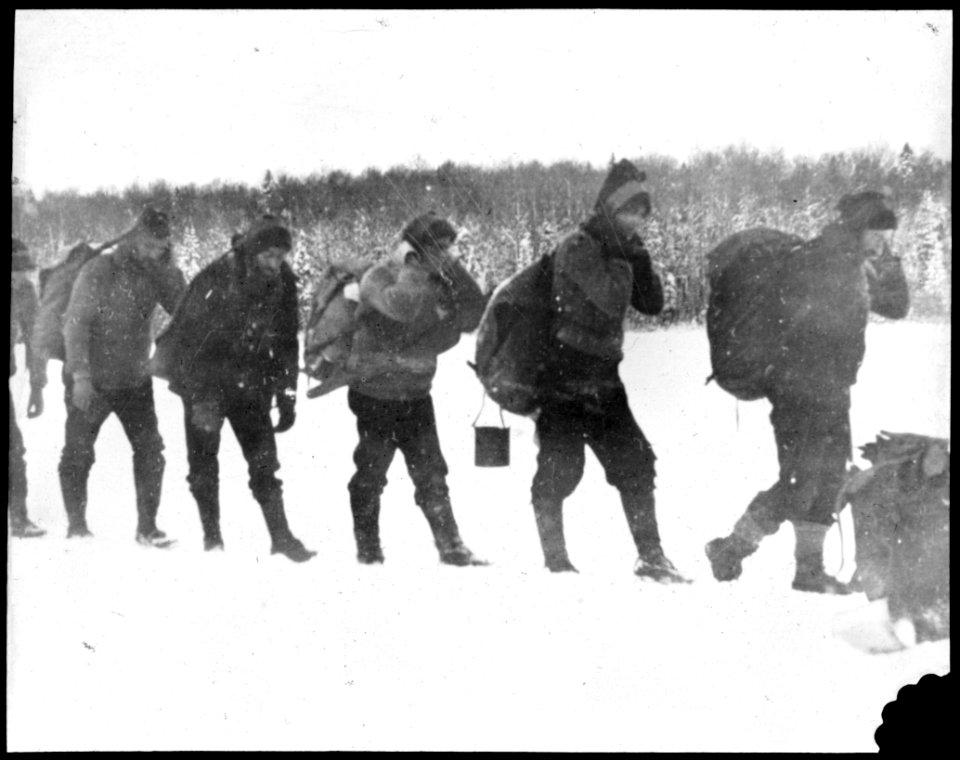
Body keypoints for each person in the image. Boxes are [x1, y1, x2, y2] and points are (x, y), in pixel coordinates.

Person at [705, 191, 910, 593]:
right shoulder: (824, 258)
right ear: (857, 226)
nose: (882, 243)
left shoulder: (854, 261)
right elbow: (811, 321)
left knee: (830, 478)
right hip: (798, 389)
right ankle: (731, 548)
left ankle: (808, 570)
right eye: (877, 234)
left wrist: (887, 261)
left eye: (887, 237)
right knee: (800, 481)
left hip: (832, 388)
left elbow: (897, 307)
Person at [531, 159, 687, 581]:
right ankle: (556, 559)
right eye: (628, 211)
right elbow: (610, 299)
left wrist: (638, 256)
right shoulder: (580, 246)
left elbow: (650, 304)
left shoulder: (623, 249)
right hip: (562, 374)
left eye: (642, 212)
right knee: (562, 470)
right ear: (608, 210)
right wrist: (627, 258)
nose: (636, 220)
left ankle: (652, 558)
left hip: (602, 376)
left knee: (636, 464)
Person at [152, 215, 315, 563]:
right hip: (204, 383)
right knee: (203, 466)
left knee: (264, 464)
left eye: (281, 256)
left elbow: (287, 341)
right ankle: (213, 540)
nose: (276, 263)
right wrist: (202, 398)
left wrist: (287, 394)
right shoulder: (216, 279)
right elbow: (189, 345)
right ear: (254, 250)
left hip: (250, 384)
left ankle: (281, 537)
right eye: (269, 255)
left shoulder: (282, 280)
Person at [345, 212, 487, 566]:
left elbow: (473, 313)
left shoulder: (437, 279)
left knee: (432, 472)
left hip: (416, 392)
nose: (446, 256)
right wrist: (413, 265)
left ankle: (451, 547)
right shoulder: (378, 277)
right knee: (372, 472)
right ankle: (368, 550)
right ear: (415, 250)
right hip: (375, 393)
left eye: (449, 249)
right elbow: (403, 308)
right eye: (438, 249)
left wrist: (454, 272)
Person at [60, 208, 186, 546]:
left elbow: (184, 312)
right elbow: (76, 324)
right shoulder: (100, 269)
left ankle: (147, 528)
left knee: (150, 451)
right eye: (146, 245)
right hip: (92, 379)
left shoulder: (157, 272)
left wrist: (173, 275)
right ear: (132, 239)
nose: (151, 253)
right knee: (78, 453)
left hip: (134, 378)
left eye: (159, 247)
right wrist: (81, 378)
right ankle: (77, 526)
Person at [9, 238, 46, 538]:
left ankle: (19, 519)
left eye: (25, 270)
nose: (21, 276)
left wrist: (37, 386)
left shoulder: (24, 292)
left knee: (13, 449)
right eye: (15, 270)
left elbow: (36, 337)